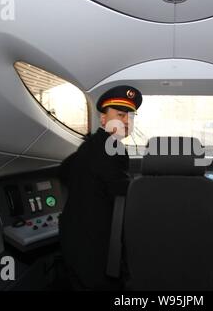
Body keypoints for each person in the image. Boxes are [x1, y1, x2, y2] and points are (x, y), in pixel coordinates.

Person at [58, 85, 142, 290]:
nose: (126, 121)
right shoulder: (113, 147)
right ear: (103, 119)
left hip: (72, 238)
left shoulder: (88, 145)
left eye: (130, 117)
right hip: (94, 246)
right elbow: (123, 192)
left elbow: (63, 171)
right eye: (120, 115)